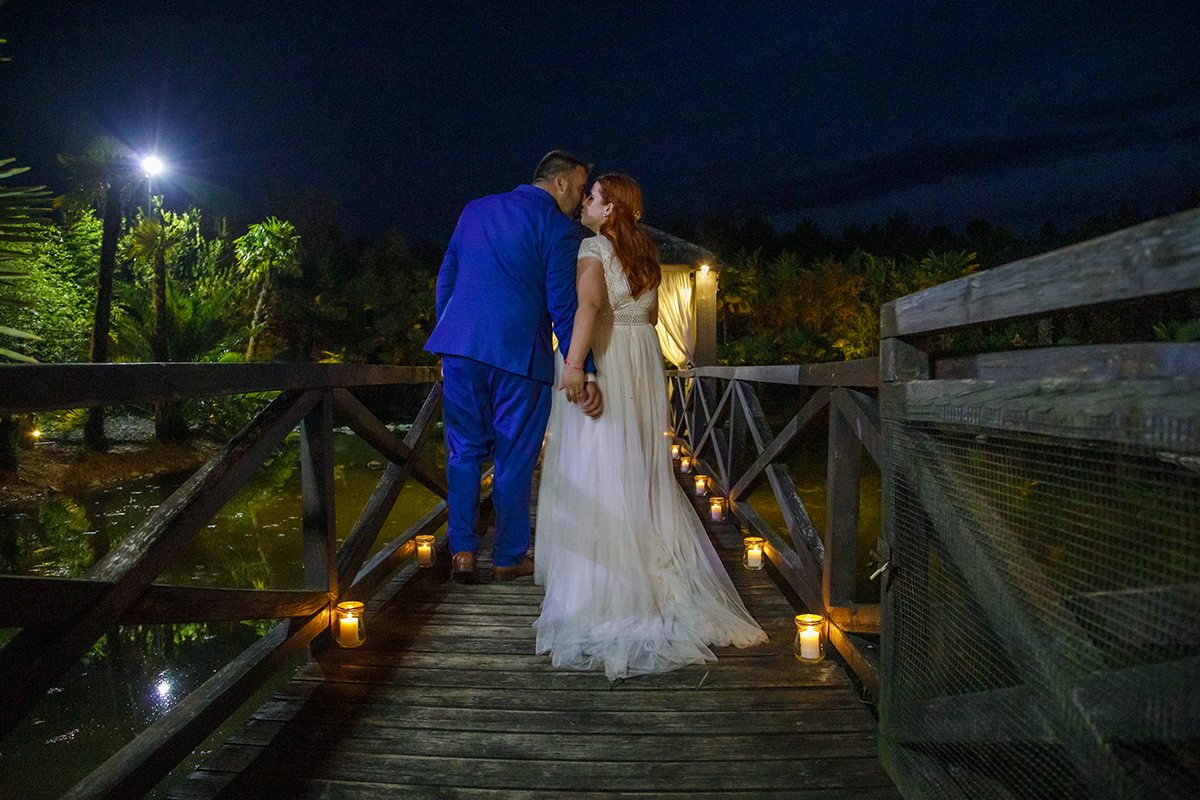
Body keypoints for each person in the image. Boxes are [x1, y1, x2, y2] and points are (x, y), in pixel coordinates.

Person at [533, 174, 766, 680]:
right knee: (635, 464)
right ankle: (647, 548)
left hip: (614, 360)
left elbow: (591, 308)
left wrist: (574, 367)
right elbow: (652, 315)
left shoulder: (593, 247)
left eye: (592, 198)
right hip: (643, 360)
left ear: (610, 208)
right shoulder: (647, 257)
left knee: (601, 461)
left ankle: (612, 580)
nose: (585, 205)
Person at [425, 151, 604, 584]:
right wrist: (586, 367)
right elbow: (564, 304)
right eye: (581, 189)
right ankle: (507, 557)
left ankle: (463, 552)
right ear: (559, 183)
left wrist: (450, 339)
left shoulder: (475, 209)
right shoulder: (559, 229)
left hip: (462, 352)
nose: (581, 200)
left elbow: (446, 278)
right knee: (513, 460)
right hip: (520, 357)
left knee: (463, 453)